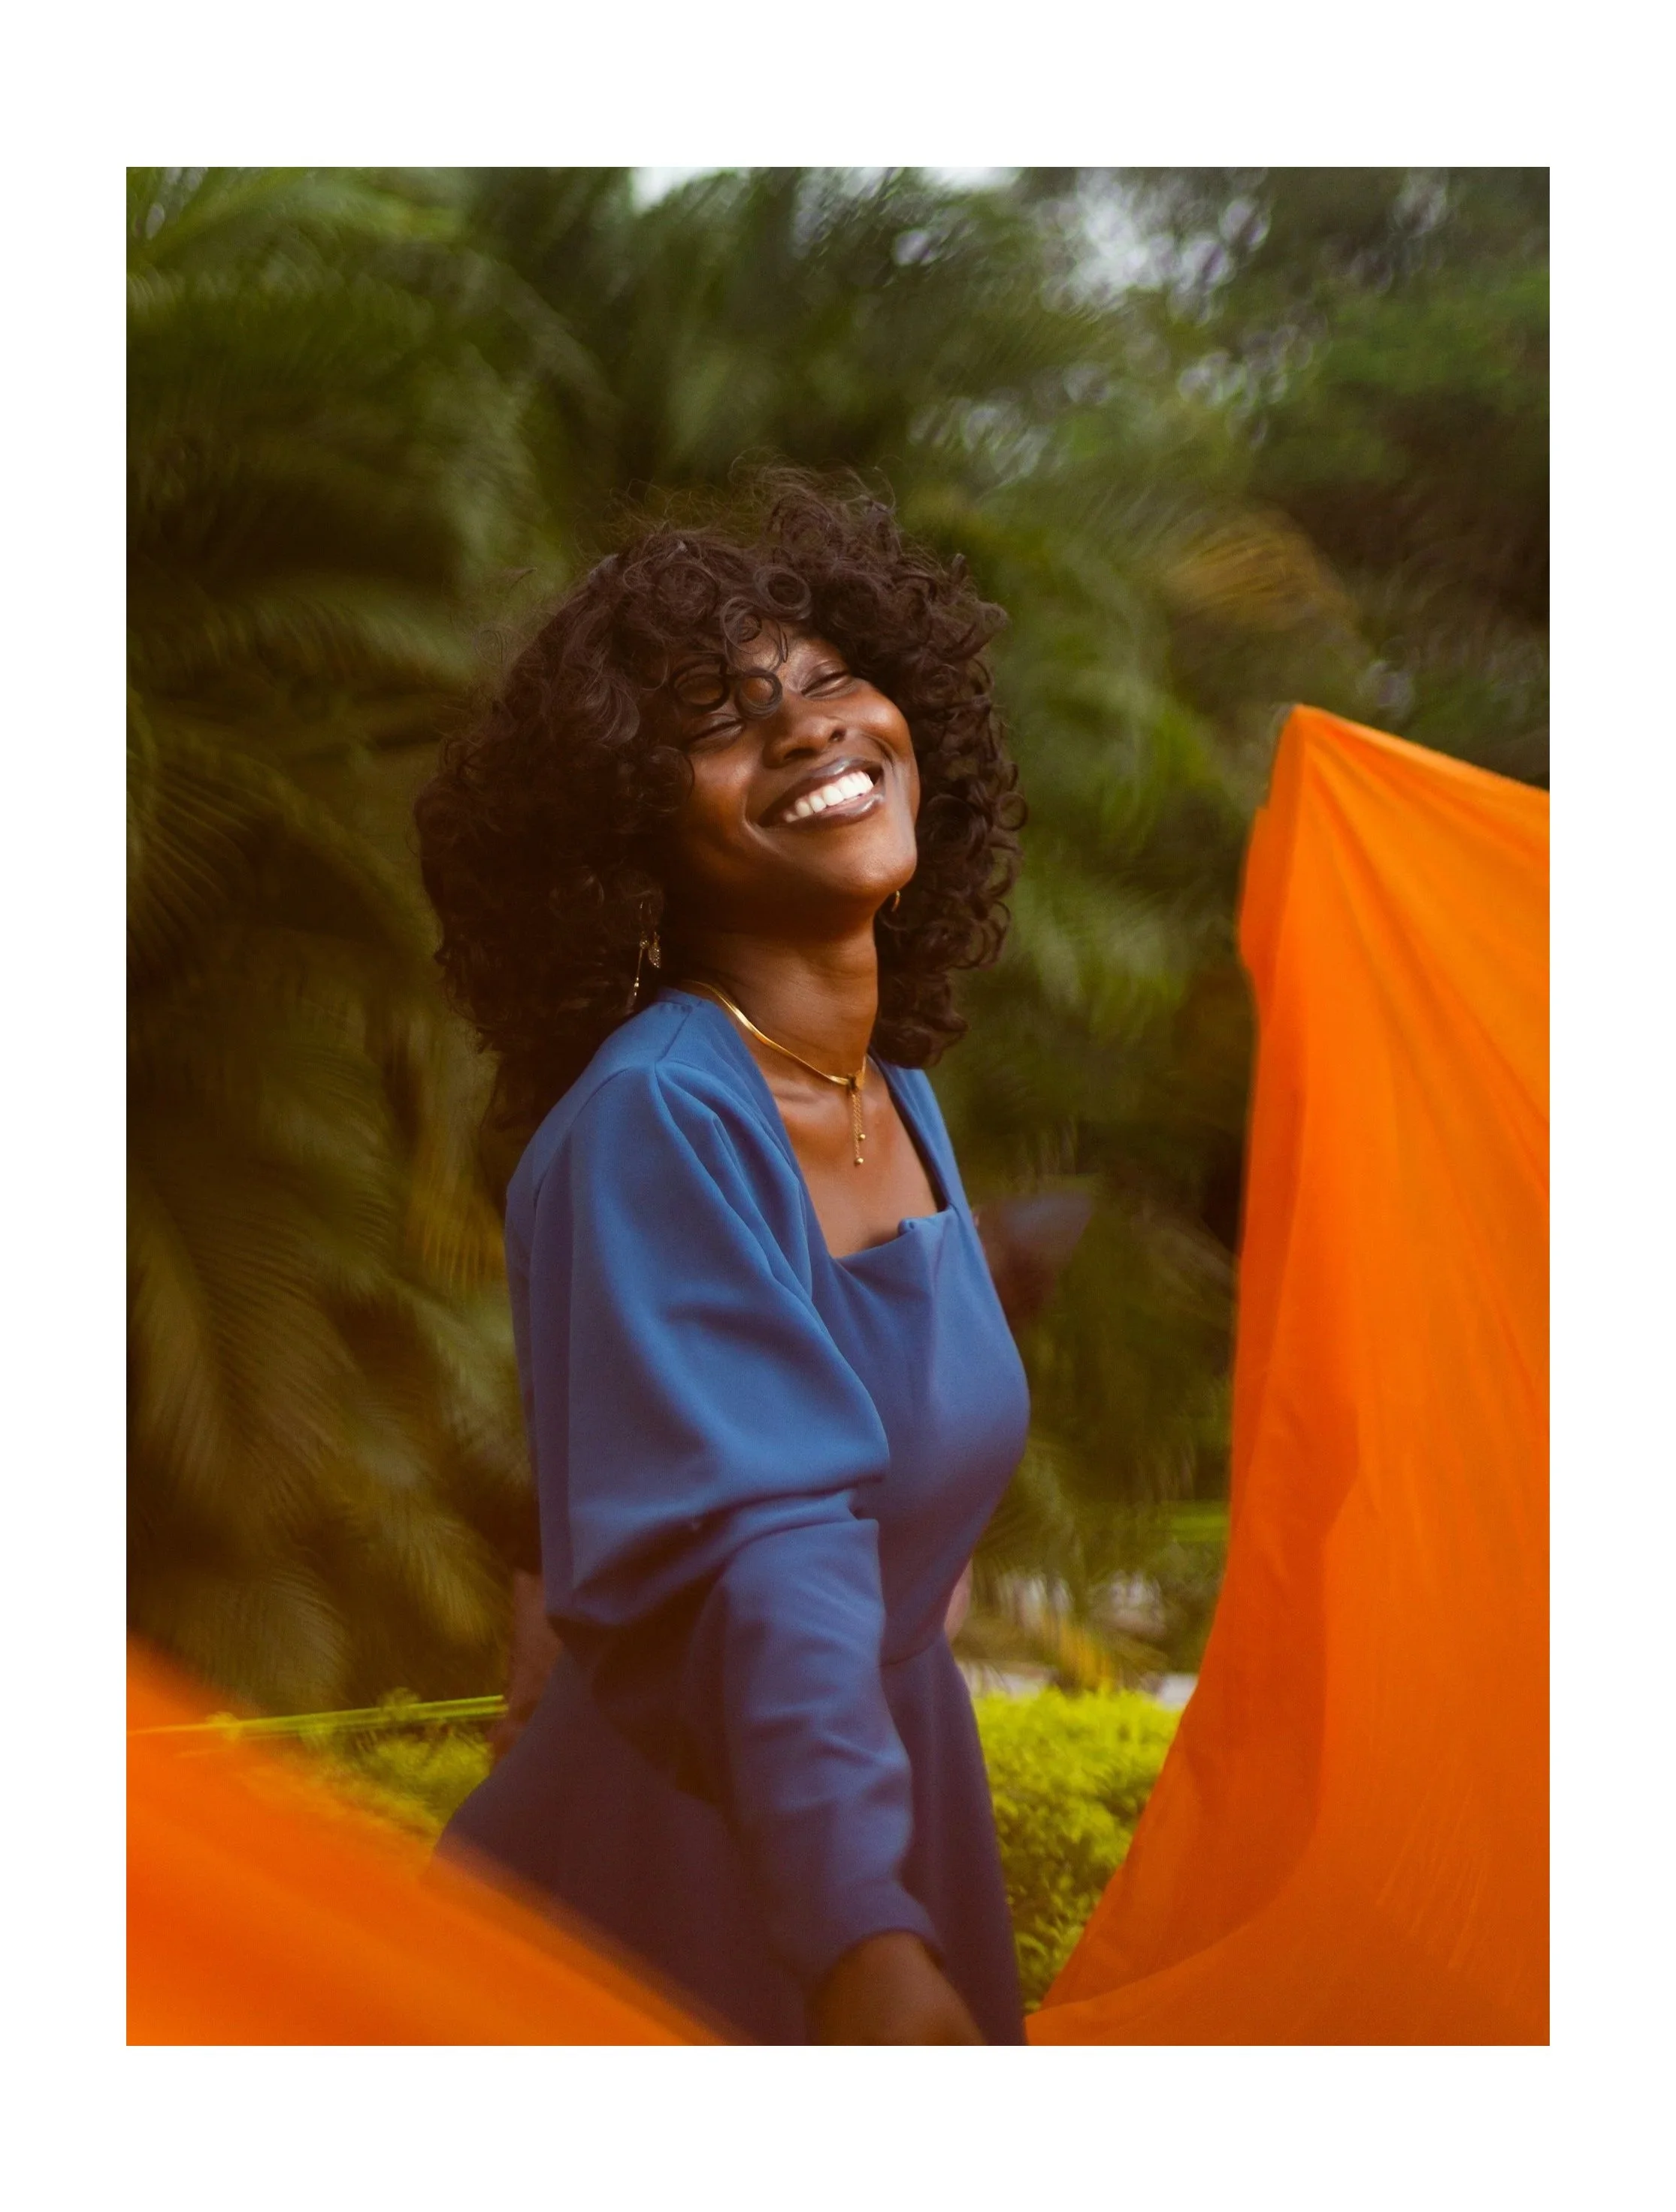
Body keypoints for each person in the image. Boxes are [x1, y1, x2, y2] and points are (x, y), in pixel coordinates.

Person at [414, 474, 1031, 2044]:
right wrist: (861, 1941)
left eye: (831, 681)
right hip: (715, 1869)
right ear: (629, 825)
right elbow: (759, 1541)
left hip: (880, 1808)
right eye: (724, 717)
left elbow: (883, 1518)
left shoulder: (895, 1095)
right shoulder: (655, 1119)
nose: (811, 729)